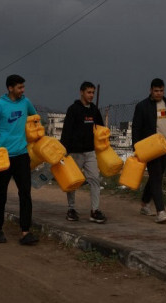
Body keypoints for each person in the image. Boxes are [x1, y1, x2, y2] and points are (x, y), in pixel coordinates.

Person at [0, 74, 39, 245]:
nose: (23, 90)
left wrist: (37, 138)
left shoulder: (25, 102)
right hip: (2, 157)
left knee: (25, 194)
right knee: (1, 194)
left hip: (22, 155)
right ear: (10, 88)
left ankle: (25, 231)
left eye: (23, 87)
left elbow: (35, 118)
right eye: (20, 87)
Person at [132, 78, 166, 224]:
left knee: (157, 176)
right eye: (156, 91)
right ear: (151, 90)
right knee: (156, 177)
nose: (159, 93)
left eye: (161, 90)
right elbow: (136, 127)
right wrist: (135, 146)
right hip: (151, 149)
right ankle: (161, 212)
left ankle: (144, 203)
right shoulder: (142, 106)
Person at [60, 81, 107, 224]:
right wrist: (64, 151)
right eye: (89, 92)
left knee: (94, 179)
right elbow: (67, 131)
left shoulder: (94, 110)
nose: (91, 95)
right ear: (81, 92)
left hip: (90, 152)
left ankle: (95, 210)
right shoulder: (73, 109)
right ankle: (71, 209)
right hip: (75, 153)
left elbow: (100, 128)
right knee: (73, 181)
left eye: (93, 92)